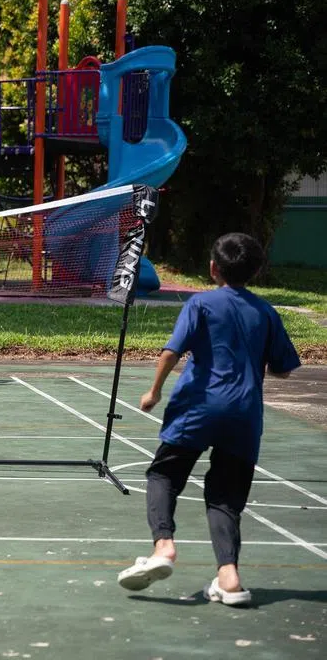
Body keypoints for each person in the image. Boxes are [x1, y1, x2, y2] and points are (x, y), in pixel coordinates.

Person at [117, 233, 300, 606]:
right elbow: (284, 368)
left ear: (213, 268)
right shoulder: (266, 312)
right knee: (225, 498)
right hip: (244, 414)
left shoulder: (200, 304)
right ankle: (229, 578)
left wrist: (153, 392)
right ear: (258, 270)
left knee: (164, 475)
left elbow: (171, 351)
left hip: (198, 407)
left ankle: (164, 546)